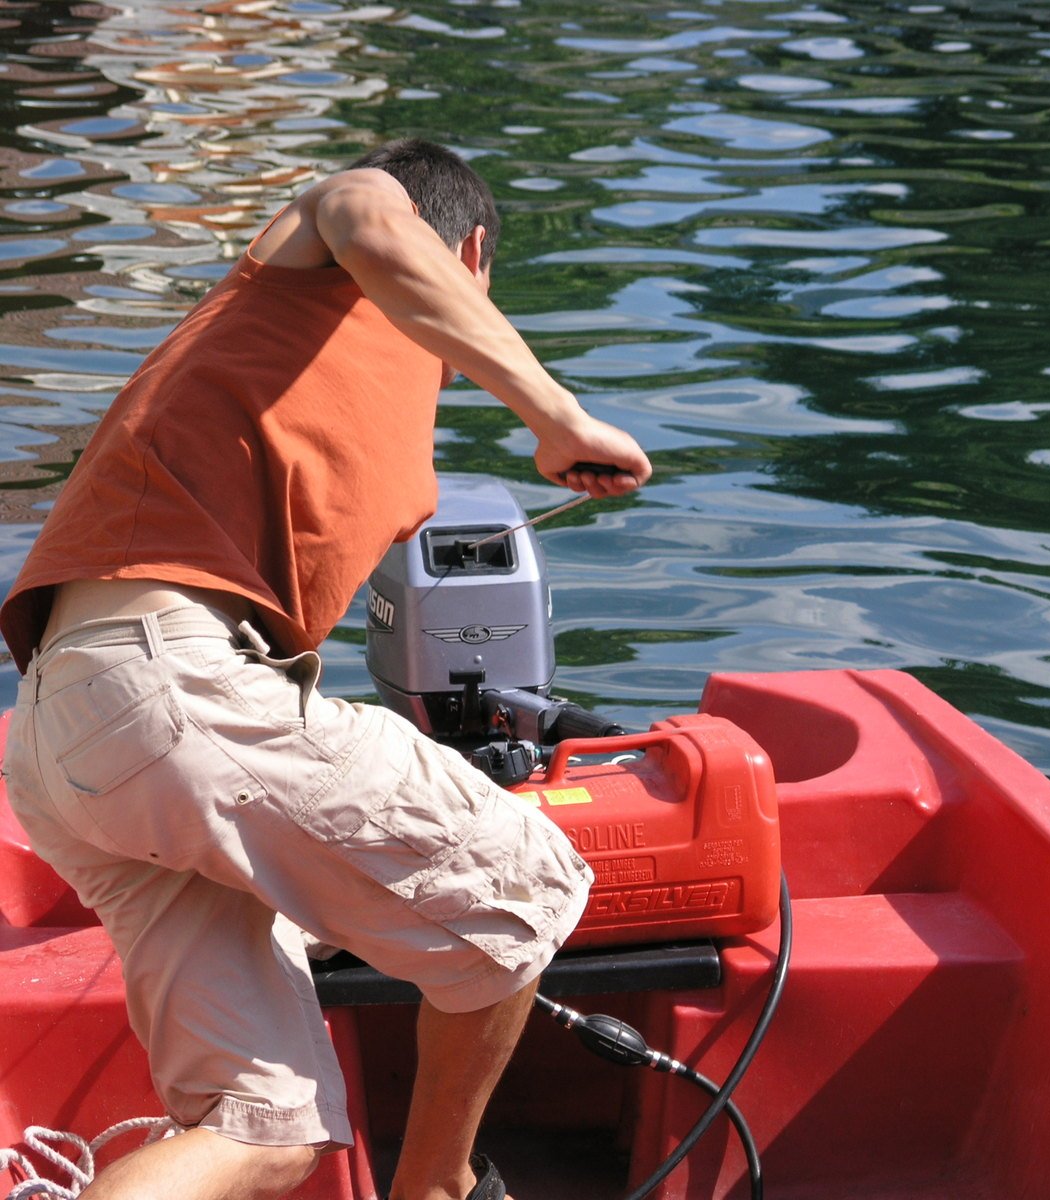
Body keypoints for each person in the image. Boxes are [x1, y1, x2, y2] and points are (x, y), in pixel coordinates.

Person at [0, 139, 651, 1200]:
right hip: (164, 691)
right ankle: (437, 1189)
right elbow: (364, 208)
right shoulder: (329, 248)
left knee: (266, 1129)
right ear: (473, 255)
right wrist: (554, 414)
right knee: (528, 883)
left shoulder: (331, 384)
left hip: (71, 737)